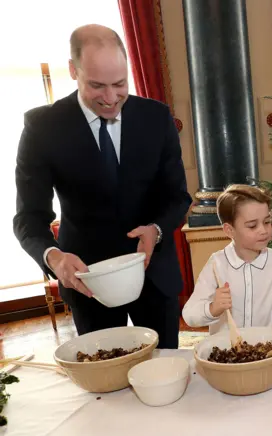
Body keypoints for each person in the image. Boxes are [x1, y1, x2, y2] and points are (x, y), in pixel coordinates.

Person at [13, 25, 192, 349]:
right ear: (73, 70)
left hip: (154, 278)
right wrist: (54, 258)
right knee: (105, 385)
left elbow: (177, 196)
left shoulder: (156, 117)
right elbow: (28, 218)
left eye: (120, 84)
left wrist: (156, 229)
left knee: (166, 379)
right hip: (87, 282)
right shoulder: (42, 128)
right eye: (97, 86)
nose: (111, 99)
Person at [182, 184, 272, 335]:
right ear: (229, 230)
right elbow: (189, 314)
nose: (263, 230)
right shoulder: (217, 263)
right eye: (252, 226)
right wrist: (213, 308)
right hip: (227, 352)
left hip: (267, 348)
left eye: (267, 222)